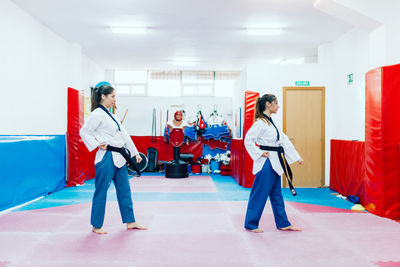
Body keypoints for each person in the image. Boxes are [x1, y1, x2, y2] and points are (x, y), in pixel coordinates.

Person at [80, 84, 147, 234]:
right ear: (103, 96)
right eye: (112, 96)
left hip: (120, 157)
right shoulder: (97, 114)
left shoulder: (112, 115)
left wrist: (134, 153)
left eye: (115, 96)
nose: (114, 100)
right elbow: (84, 131)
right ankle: (96, 225)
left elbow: (124, 135)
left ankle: (130, 221)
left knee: (124, 190)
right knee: (101, 190)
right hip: (107, 157)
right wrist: (98, 144)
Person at [244, 94, 304, 233]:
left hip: (275, 162)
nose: (278, 106)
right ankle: (251, 223)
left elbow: (284, 140)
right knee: (259, 194)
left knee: (277, 194)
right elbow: (248, 140)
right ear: (268, 104)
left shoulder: (270, 123)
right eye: (276, 103)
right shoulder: (260, 123)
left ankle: (283, 223)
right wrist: (259, 152)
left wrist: (297, 157)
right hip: (266, 163)